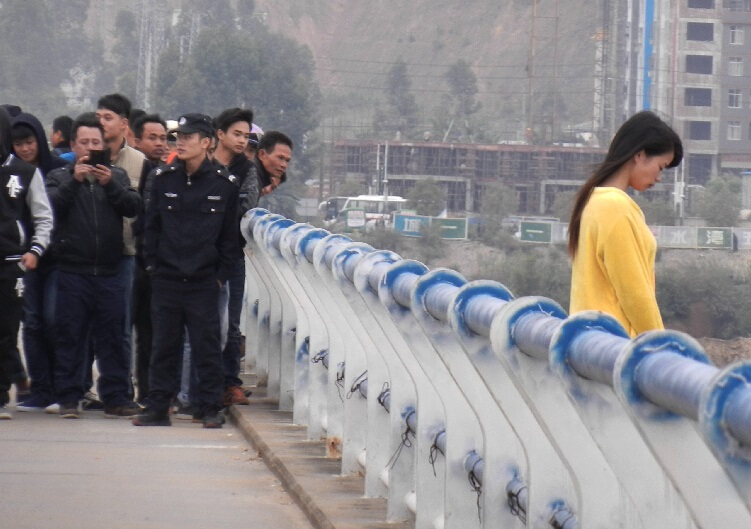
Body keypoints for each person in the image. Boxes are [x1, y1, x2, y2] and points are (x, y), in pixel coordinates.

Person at [134, 113, 240, 428]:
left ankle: (208, 407)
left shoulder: (224, 185)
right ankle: (157, 407)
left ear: (207, 143)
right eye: (177, 137)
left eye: (188, 137)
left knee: (206, 346)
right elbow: (150, 228)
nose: (179, 142)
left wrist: (219, 276)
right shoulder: (164, 178)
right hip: (166, 277)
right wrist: (153, 266)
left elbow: (230, 239)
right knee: (163, 344)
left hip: (204, 280)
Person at [45, 112, 142, 419]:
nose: (90, 147)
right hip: (72, 271)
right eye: (84, 142)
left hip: (111, 272)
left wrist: (111, 184)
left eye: (96, 142)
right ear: (73, 144)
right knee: (70, 336)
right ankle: (70, 397)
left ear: (105, 145)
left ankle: (115, 397)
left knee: (113, 338)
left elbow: (133, 207)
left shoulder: (117, 176)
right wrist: (74, 181)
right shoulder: (59, 177)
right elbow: (51, 210)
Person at [567, 111, 683, 337]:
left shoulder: (593, 200)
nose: (659, 177)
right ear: (640, 155)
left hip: (591, 342)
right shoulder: (614, 208)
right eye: (661, 167)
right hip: (614, 344)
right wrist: (663, 345)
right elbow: (635, 294)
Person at [9, 112, 67, 412]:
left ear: (40, 141)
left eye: (29, 142)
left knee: (53, 319)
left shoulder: (57, 169)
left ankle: (62, 389)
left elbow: (53, 215)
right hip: (23, 261)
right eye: (18, 144)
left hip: (55, 259)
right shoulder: (11, 174)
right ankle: (40, 389)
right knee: (32, 324)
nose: (25, 149)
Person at [0, 107, 54, 419]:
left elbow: (43, 215)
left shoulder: (24, 172)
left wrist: (35, 249)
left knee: (7, 331)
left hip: (11, 262)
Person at [95, 93, 147, 406]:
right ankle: (84, 391)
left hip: (126, 253)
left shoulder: (139, 162)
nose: (101, 123)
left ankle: (120, 392)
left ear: (124, 124)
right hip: (88, 254)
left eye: (108, 117)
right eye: (98, 116)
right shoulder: (86, 155)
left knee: (120, 327)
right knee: (85, 326)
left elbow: (140, 207)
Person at [212, 107, 254, 406]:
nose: (242, 141)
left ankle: (230, 382)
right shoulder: (202, 164)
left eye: (246, 136)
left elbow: (247, 207)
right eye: (236, 134)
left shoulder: (246, 169)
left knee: (232, 322)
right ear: (220, 134)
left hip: (232, 254)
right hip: (202, 253)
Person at [131, 113, 168, 402]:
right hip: (128, 259)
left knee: (152, 334)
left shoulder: (169, 174)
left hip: (154, 265)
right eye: (152, 138)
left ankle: (149, 392)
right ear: (136, 139)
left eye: (163, 138)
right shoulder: (132, 170)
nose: (159, 143)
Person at [238, 130, 293, 213]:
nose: (284, 165)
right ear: (262, 154)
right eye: (280, 158)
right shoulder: (251, 176)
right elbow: (241, 216)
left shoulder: (258, 176)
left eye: (287, 160)